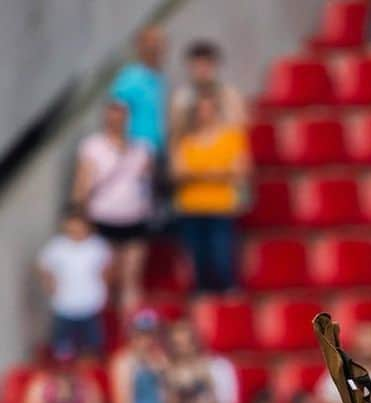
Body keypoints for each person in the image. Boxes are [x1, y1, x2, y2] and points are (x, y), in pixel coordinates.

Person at [71, 100, 153, 316]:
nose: (116, 118)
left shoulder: (141, 147)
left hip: (134, 216)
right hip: (103, 216)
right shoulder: (93, 146)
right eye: (112, 113)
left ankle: (128, 325)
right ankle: (105, 324)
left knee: (131, 275)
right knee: (107, 275)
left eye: (121, 114)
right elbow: (83, 182)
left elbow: (147, 182)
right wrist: (79, 213)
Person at [171, 91, 251, 296]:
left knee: (222, 256)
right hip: (192, 208)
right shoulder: (186, 141)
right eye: (200, 110)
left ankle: (228, 296)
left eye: (209, 109)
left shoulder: (231, 137)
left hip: (221, 207)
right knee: (198, 258)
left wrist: (198, 173)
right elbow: (178, 173)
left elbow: (240, 170)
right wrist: (216, 172)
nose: (204, 114)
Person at [37, 206, 113, 357]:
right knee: (62, 348)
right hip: (64, 304)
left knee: (92, 346)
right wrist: (49, 284)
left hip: (91, 303)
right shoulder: (57, 246)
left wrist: (104, 285)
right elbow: (44, 267)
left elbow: (108, 269)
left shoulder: (97, 246)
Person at [109, 25, 168, 154]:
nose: (155, 48)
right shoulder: (129, 78)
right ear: (140, 47)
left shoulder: (163, 79)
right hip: (136, 152)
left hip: (161, 152)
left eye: (159, 42)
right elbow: (115, 115)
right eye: (151, 43)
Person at [169, 40, 247, 133]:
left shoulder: (229, 95)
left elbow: (240, 127)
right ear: (189, 67)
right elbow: (176, 132)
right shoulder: (181, 98)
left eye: (207, 64)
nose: (202, 70)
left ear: (216, 66)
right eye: (197, 65)